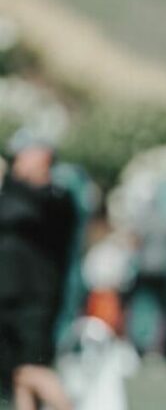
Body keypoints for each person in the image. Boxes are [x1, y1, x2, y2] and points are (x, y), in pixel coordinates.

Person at [0, 133, 76, 410]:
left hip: (35, 300)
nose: (17, 161)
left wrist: (7, 179)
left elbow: (30, 216)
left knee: (33, 370)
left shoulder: (58, 196)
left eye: (23, 154)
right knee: (18, 377)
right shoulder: (11, 194)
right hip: (6, 296)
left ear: (42, 156)